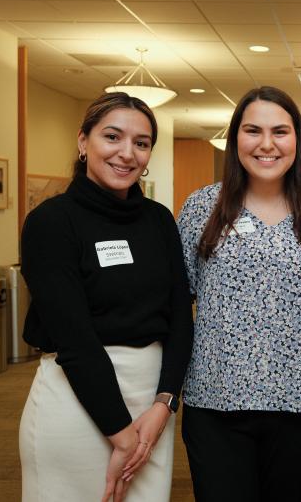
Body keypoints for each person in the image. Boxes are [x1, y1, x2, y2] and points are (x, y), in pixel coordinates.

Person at [19, 92, 193, 502]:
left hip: (151, 404)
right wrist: (121, 435)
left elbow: (180, 319)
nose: (126, 153)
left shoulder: (158, 219)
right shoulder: (51, 222)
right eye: (112, 137)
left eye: (141, 142)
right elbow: (74, 339)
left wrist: (164, 405)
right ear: (83, 142)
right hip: (76, 399)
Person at [177, 86, 301, 501]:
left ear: (298, 142)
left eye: (280, 132)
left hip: (298, 403)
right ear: (236, 139)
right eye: (253, 131)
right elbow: (179, 298)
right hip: (217, 402)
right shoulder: (203, 207)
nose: (267, 144)